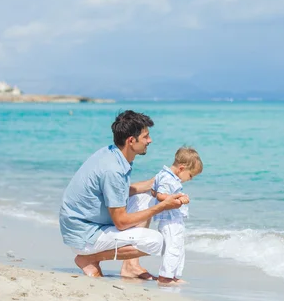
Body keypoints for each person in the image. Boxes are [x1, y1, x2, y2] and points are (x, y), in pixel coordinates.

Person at [59, 110, 188, 278]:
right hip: (83, 234)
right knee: (156, 242)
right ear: (131, 141)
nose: (150, 140)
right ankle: (89, 258)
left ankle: (131, 267)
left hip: (85, 224)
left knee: (148, 196)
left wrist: (158, 182)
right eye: (145, 137)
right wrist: (163, 206)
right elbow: (120, 222)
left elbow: (118, 192)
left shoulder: (113, 153)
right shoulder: (113, 169)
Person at [126, 147, 203, 285]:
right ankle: (165, 277)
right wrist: (179, 198)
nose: (190, 179)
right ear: (181, 168)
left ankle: (172, 275)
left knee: (178, 247)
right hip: (169, 220)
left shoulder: (168, 176)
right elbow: (160, 195)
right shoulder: (167, 178)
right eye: (190, 175)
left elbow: (154, 191)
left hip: (174, 218)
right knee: (172, 247)